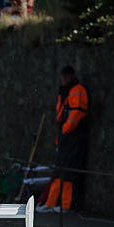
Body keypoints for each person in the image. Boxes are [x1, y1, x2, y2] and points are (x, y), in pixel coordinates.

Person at [39, 66, 89, 213]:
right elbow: (61, 115)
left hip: (73, 137)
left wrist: (65, 131)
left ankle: (64, 205)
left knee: (67, 173)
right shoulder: (66, 92)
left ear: (72, 76)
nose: (64, 79)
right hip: (66, 138)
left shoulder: (77, 90)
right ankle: (51, 203)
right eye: (63, 76)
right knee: (59, 171)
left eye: (66, 76)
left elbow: (76, 114)